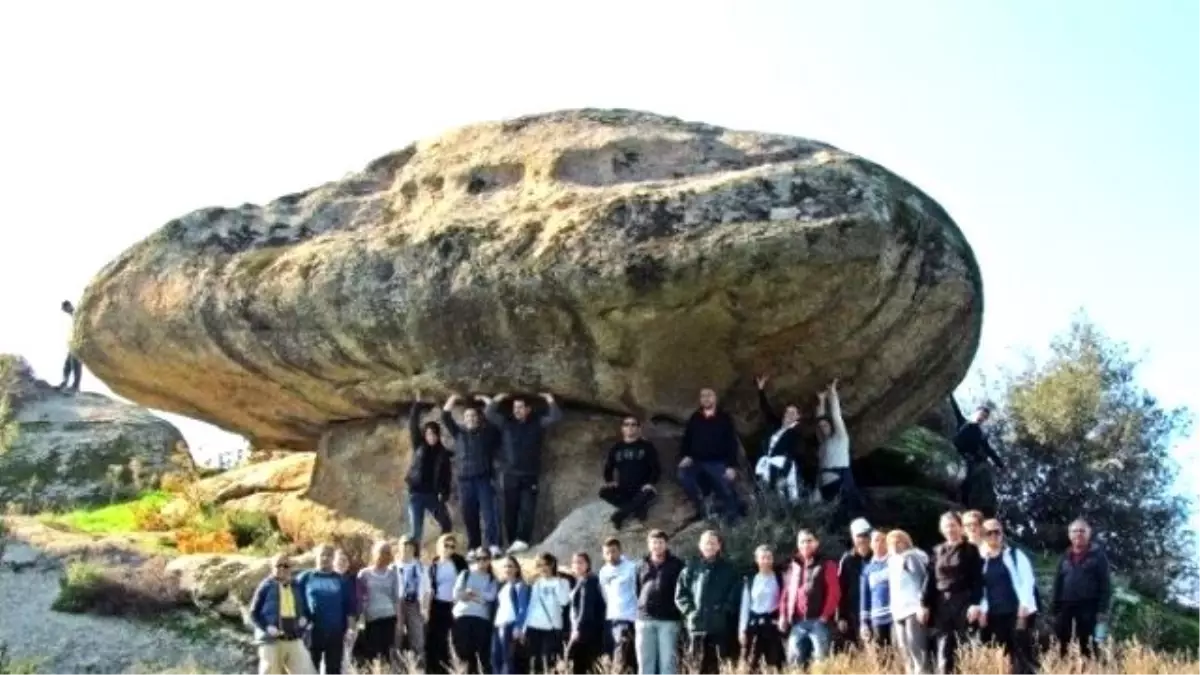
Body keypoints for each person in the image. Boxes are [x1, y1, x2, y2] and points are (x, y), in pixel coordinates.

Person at [482, 392, 563, 553]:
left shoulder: (537, 423)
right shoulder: (506, 423)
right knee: (510, 511)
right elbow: (489, 413)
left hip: (529, 474)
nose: (517, 410)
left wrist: (549, 399)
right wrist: (499, 398)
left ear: (528, 409)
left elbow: (555, 417)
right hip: (510, 475)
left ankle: (523, 540)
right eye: (514, 408)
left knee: (528, 509)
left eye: (520, 407)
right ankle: (513, 542)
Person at [918, 512, 984, 675]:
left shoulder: (971, 550)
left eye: (953, 525)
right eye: (946, 526)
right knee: (943, 650)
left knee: (965, 647)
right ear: (942, 529)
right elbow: (930, 579)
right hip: (942, 604)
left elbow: (977, 579)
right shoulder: (937, 550)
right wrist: (923, 604)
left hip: (964, 601)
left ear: (961, 527)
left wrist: (976, 604)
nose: (950, 529)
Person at [444, 394, 504, 556]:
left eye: (473, 415)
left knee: (489, 513)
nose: (470, 418)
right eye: (467, 416)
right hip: (464, 481)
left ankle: (493, 545)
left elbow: (495, 420)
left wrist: (486, 399)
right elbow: (445, 417)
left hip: (483, 479)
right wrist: (454, 398)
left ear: (478, 418)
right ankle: (474, 547)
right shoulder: (459, 433)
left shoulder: (487, 433)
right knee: (469, 515)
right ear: (464, 419)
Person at [979, 519, 1040, 674]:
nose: (993, 535)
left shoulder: (1015, 554)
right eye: (989, 532)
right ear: (983, 535)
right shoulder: (981, 560)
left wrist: (1023, 607)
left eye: (996, 531)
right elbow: (979, 588)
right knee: (1002, 658)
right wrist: (982, 610)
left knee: (1023, 656)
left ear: (1002, 533)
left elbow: (1028, 581)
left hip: (1016, 613)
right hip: (994, 616)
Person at [675, 530, 740, 675]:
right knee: (696, 667)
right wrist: (691, 612)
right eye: (706, 543)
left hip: (719, 627)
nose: (709, 546)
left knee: (719, 667)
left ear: (719, 546)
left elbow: (735, 593)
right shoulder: (690, 569)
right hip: (697, 627)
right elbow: (681, 595)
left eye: (713, 543)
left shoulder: (729, 570)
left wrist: (724, 610)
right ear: (700, 546)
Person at [677, 388, 744, 524]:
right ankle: (704, 508)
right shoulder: (695, 417)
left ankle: (734, 519)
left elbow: (732, 443)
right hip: (696, 461)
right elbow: (687, 439)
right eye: (703, 396)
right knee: (683, 476)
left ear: (715, 398)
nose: (706, 398)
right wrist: (685, 456)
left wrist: (731, 466)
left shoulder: (724, 418)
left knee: (726, 488)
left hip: (717, 461)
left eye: (709, 395)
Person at [1050, 518, 1112, 659]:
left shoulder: (1098, 557)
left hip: (1089, 608)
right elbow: (1057, 583)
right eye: (1075, 531)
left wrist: (1102, 610)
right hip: (1065, 607)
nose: (1078, 534)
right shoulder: (1064, 557)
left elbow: (1106, 585)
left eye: (1082, 531)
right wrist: (1054, 609)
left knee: (1087, 646)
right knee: (1061, 643)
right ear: (1069, 535)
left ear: (1089, 534)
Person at [779, 528, 840, 667]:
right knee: (794, 664)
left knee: (821, 664)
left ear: (816, 543)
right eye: (802, 542)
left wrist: (824, 616)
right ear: (798, 545)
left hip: (819, 622)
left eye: (809, 541)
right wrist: (783, 615)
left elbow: (834, 592)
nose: (806, 544)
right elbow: (785, 594)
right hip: (797, 623)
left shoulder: (827, 564)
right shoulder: (793, 566)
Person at [250, 553, 315, 675]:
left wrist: (305, 620)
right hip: (271, 641)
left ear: (291, 568)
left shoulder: (297, 586)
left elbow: (307, 609)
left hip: (294, 638)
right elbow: (253, 613)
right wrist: (267, 628)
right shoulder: (265, 586)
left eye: (286, 566)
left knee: (307, 671)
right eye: (278, 565)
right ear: (272, 567)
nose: (282, 568)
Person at [298, 544, 356, 675]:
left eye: (329, 555)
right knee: (310, 669)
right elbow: (296, 601)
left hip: (336, 632)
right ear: (316, 557)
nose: (325, 558)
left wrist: (351, 629)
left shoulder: (342, 580)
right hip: (312, 632)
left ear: (334, 558)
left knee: (334, 669)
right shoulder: (305, 578)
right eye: (322, 554)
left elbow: (350, 607)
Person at [753, 374, 811, 501]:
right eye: (787, 412)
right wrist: (761, 390)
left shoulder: (797, 434)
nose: (789, 415)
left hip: (783, 469)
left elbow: (795, 455)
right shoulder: (776, 426)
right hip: (767, 466)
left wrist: (784, 475)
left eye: (793, 413)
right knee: (765, 495)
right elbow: (766, 410)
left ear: (798, 417)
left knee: (783, 497)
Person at [635, 529, 684, 675]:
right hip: (644, 619)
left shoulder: (677, 565)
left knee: (668, 663)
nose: (657, 546)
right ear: (649, 545)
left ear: (666, 544)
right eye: (654, 543)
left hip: (668, 620)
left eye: (660, 542)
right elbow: (637, 589)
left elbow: (681, 591)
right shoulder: (640, 565)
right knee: (645, 663)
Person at [599, 416, 662, 529]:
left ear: (638, 428)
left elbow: (656, 468)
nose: (630, 427)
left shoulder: (647, 446)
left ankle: (619, 516)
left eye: (633, 424)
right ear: (622, 428)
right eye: (626, 424)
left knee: (649, 493)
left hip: (642, 489)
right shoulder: (616, 448)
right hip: (623, 487)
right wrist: (610, 481)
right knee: (603, 492)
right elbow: (608, 467)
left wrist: (651, 483)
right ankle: (637, 508)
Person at [406, 399, 453, 546]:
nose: (431, 437)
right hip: (416, 494)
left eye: (434, 434)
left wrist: (444, 494)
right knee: (416, 532)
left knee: (446, 524)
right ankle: (413, 559)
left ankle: (444, 551)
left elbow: (447, 476)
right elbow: (413, 425)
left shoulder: (443, 453)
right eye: (428, 434)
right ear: (424, 435)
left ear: (438, 436)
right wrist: (418, 404)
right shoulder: (419, 445)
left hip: (433, 495)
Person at [886, 530, 929, 675]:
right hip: (898, 611)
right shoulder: (892, 561)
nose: (895, 545)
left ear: (906, 542)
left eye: (899, 541)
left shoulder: (911, 557)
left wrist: (922, 605)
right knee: (904, 650)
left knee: (917, 649)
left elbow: (922, 580)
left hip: (913, 608)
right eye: (891, 542)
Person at [522, 552, 572, 673]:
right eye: (539, 565)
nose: (543, 568)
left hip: (551, 627)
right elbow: (531, 607)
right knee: (534, 662)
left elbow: (564, 601)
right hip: (534, 626)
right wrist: (524, 627)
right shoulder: (537, 583)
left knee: (549, 661)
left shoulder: (563, 582)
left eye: (545, 564)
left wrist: (558, 582)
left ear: (552, 564)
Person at [453, 548, 500, 675]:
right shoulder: (465, 574)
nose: (482, 562)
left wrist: (472, 593)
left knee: (480, 656)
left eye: (485, 559)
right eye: (479, 558)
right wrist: (477, 597)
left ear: (489, 560)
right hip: (462, 617)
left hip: (481, 619)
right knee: (462, 654)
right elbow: (456, 594)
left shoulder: (492, 579)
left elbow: (491, 596)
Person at [815, 379, 860, 510]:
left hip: (842, 483)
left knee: (845, 515)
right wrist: (821, 400)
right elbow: (819, 419)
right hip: (825, 487)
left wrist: (832, 392)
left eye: (825, 425)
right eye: (821, 426)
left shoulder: (841, 437)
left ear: (831, 426)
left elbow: (836, 415)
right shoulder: (823, 443)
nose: (823, 427)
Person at [738, 544, 784, 669]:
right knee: (751, 663)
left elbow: (784, 601)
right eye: (763, 557)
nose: (766, 561)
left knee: (774, 664)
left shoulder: (779, 578)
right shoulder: (751, 580)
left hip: (773, 626)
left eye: (769, 557)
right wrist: (742, 630)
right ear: (757, 559)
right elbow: (745, 606)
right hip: (754, 626)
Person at [428, 534, 468, 674]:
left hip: (454, 605)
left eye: (452, 546)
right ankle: (435, 669)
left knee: (452, 639)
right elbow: (430, 586)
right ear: (439, 546)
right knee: (436, 638)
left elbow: (466, 580)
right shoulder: (434, 564)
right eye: (446, 545)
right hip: (438, 604)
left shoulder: (459, 562)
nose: (449, 549)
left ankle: (452, 669)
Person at [356, 541, 401, 666]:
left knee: (386, 652)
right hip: (372, 618)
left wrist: (399, 620)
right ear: (374, 553)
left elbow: (396, 597)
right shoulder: (364, 574)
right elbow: (360, 599)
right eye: (382, 552)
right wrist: (360, 619)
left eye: (388, 552)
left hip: (389, 617)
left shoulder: (393, 574)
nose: (385, 555)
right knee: (373, 653)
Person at [953, 406, 1004, 515]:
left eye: (985, 417)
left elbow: (989, 450)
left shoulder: (980, 435)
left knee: (975, 476)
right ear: (975, 413)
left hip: (968, 460)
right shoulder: (963, 421)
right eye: (981, 414)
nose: (982, 418)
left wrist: (1000, 464)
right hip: (956, 452)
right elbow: (955, 407)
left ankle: (968, 503)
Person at [599, 537, 639, 672]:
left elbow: (636, 590)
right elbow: (605, 594)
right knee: (612, 654)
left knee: (622, 656)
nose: (610, 556)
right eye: (607, 553)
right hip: (611, 617)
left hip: (628, 617)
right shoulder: (603, 571)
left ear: (620, 551)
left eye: (613, 552)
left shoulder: (631, 567)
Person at [836, 517, 873, 649]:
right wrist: (841, 616)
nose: (863, 539)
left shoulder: (878, 556)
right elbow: (841, 590)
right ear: (853, 537)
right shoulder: (847, 560)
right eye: (859, 536)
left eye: (866, 535)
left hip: (877, 611)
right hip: (854, 613)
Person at [492, 555, 530, 675]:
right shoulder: (502, 587)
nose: (507, 569)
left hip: (510, 626)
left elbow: (523, 608)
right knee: (496, 660)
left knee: (509, 662)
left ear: (517, 569)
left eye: (510, 566)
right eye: (505, 566)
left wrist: (518, 627)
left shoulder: (521, 586)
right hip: (498, 627)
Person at [568, 552, 605, 675]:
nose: (577, 565)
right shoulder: (581, 580)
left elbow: (586, 608)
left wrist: (578, 629)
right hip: (584, 630)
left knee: (581, 665)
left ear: (587, 564)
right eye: (574, 562)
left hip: (587, 631)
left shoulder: (589, 581)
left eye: (580, 562)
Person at [393, 536, 429, 664]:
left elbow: (427, 590)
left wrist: (425, 609)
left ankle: (418, 669)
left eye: (410, 547)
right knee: (396, 639)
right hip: (397, 605)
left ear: (414, 549)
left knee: (418, 639)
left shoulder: (421, 567)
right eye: (404, 546)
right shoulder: (393, 566)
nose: (407, 549)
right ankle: (394, 671)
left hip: (415, 604)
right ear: (399, 547)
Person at [859, 529, 892, 647]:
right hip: (877, 618)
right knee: (882, 656)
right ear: (871, 544)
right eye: (876, 540)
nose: (880, 543)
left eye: (883, 540)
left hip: (895, 615)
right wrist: (864, 622)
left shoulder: (895, 561)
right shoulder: (868, 569)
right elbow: (865, 597)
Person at [333, 549, 357, 674]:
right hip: (329, 627)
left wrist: (352, 627)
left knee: (345, 660)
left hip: (348, 625)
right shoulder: (328, 579)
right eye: (339, 560)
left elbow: (353, 607)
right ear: (333, 562)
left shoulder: (352, 581)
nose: (342, 563)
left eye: (345, 560)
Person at [57, 300, 82, 393]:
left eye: (65, 309)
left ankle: (75, 386)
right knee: (67, 365)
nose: (65, 312)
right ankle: (65, 382)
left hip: (78, 344)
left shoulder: (78, 314)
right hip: (74, 344)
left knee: (76, 364)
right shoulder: (74, 315)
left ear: (69, 306)